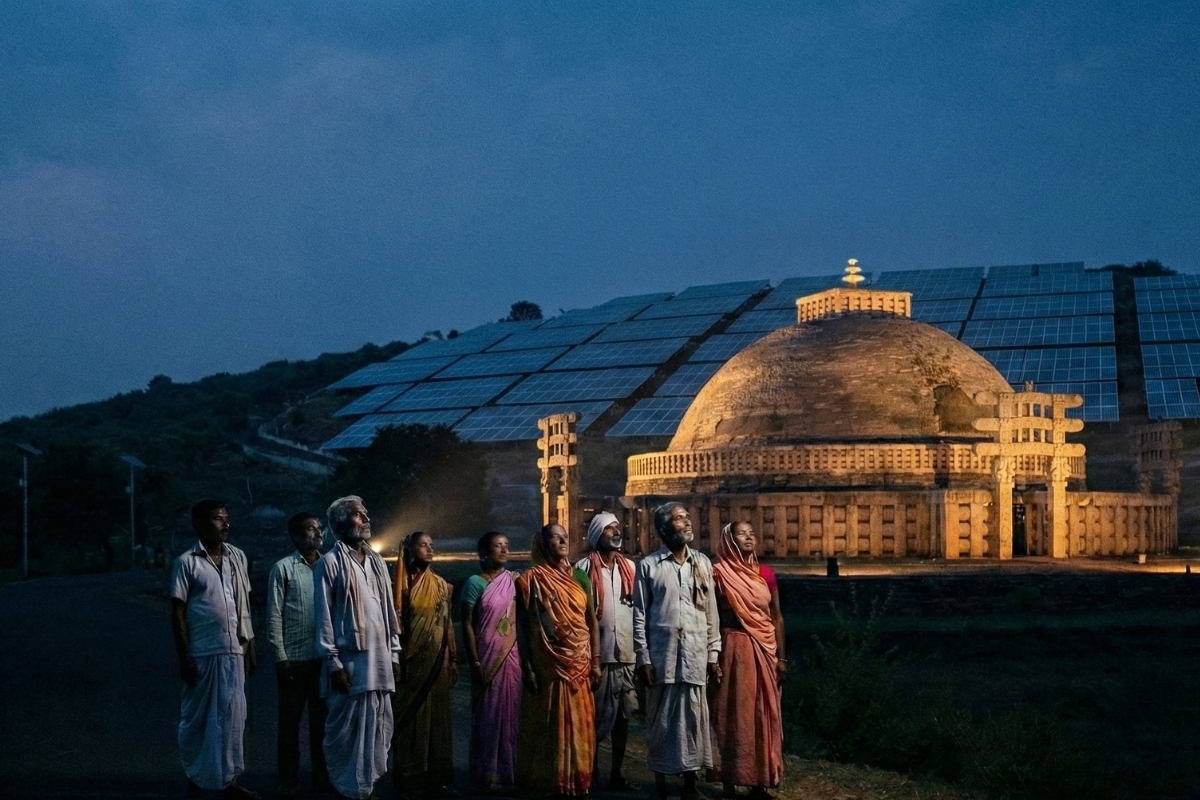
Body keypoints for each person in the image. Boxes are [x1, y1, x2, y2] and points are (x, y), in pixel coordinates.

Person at [169, 499, 260, 799]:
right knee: (198, 717)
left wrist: (250, 645)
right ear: (199, 525)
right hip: (202, 651)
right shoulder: (187, 562)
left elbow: (244, 605)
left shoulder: (238, 558)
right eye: (218, 519)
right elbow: (178, 613)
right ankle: (197, 774)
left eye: (226, 517)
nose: (225, 524)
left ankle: (229, 781)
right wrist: (185, 658)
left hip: (234, 649)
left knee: (233, 717)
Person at [314, 496, 402, 800]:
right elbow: (324, 618)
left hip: (379, 660)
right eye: (357, 514)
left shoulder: (376, 562)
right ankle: (349, 788)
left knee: (378, 723)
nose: (365, 518)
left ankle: (365, 786)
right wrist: (333, 664)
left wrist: (393, 652)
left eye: (365, 513)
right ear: (340, 524)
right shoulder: (329, 564)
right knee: (347, 729)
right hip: (350, 662)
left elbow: (388, 612)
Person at [632, 503, 721, 800]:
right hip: (663, 657)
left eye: (686, 516)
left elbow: (711, 612)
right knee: (662, 721)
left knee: (694, 720)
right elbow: (640, 615)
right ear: (663, 529)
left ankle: (689, 784)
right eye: (678, 518)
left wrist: (713, 654)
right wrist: (643, 657)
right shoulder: (649, 566)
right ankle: (660, 783)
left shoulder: (703, 564)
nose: (686, 522)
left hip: (695, 654)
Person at [515, 524, 602, 799]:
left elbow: (591, 623)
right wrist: (527, 666)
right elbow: (523, 627)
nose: (563, 539)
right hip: (547, 665)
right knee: (548, 723)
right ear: (542, 544)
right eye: (555, 536)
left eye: (565, 535)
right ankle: (548, 783)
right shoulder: (530, 579)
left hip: (579, 663)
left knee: (580, 723)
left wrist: (596, 661)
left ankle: (578, 781)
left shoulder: (579, 577)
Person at [709, 522, 786, 799]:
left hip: (764, 651)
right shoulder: (718, 574)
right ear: (729, 540)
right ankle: (729, 780)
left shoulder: (765, 573)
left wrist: (781, 657)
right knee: (733, 715)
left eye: (752, 532)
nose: (750, 536)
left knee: (763, 714)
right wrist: (713, 658)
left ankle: (759, 782)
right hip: (734, 648)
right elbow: (712, 618)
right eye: (742, 533)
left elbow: (776, 616)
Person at [573, 513, 639, 792]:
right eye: (609, 529)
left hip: (627, 655)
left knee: (623, 719)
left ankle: (616, 772)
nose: (615, 531)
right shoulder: (583, 568)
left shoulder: (631, 569)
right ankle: (592, 771)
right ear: (597, 535)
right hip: (597, 658)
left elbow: (639, 612)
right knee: (596, 718)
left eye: (616, 527)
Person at [266, 512, 330, 797]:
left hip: (324, 660)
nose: (316, 533)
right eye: (309, 529)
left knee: (323, 724)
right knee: (290, 723)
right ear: (294, 536)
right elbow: (273, 615)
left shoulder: (331, 566)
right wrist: (280, 656)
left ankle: (322, 776)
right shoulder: (283, 568)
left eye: (318, 528)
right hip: (294, 659)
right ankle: (288, 778)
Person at [392, 531, 458, 796]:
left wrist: (453, 658)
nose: (430, 549)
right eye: (423, 545)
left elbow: (447, 623)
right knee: (411, 716)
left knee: (437, 718)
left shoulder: (441, 585)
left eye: (432, 545)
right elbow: (395, 623)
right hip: (412, 662)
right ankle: (409, 773)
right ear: (410, 549)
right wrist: (397, 658)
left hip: (438, 663)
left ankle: (436, 775)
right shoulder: (401, 583)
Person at [460, 532, 521, 793]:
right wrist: (474, 663)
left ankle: (507, 773)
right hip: (486, 658)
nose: (504, 550)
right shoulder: (474, 583)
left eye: (507, 546)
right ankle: (484, 774)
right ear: (484, 553)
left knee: (511, 717)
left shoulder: (513, 581)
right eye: (498, 546)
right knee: (487, 717)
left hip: (512, 657)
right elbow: (467, 624)